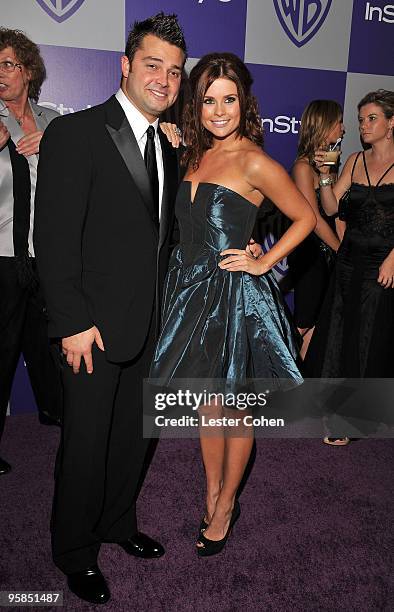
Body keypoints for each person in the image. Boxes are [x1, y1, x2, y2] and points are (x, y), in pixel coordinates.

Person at [34, 13, 187, 605]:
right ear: (124, 65)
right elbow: (53, 238)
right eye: (152, 66)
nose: (164, 80)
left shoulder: (167, 148)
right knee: (86, 444)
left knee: (131, 440)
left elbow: (161, 237)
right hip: (89, 328)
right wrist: (71, 322)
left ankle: (117, 525)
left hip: (147, 324)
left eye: (174, 72)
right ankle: (73, 550)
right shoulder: (76, 133)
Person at [150, 52, 316, 556]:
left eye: (229, 99)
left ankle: (224, 505)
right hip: (187, 291)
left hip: (231, 295)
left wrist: (263, 263)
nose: (219, 110)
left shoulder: (255, 160)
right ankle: (211, 490)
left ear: (244, 103)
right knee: (207, 405)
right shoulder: (194, 154)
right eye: (208, 101)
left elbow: (305, 218)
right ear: (196, 106)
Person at [305, 89, 394, 445]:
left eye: (372, 118)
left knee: (369, 337)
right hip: (348, 261)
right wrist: (326, 174)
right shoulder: (355, 161)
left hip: (382, 266)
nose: (363, 125)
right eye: (360, 119)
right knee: (341, 335)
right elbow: (329, 208)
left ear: (391, 123)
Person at [0, 28, 62, 476]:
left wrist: (53, 147)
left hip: (45, 256)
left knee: (48, 346)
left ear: (28, 71)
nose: (0, 74)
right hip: (1, 256)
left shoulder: (54, 121)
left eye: (7, 64)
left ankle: (54, 412)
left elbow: (74, 186)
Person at [288, 100, 343, 359]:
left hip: (326, 253)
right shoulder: (301, 167)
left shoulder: (328, 164)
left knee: (316, 326)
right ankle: (268, 375)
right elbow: (313, 219)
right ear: (325, 125)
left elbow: (333, 212)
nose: (343, 129)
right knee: (303, 322)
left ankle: (302, 385)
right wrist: (341, 250)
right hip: (310, 254)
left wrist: (327, 174)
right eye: (339, 123)